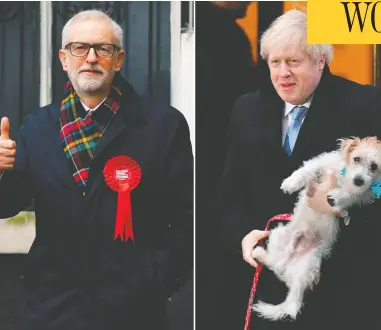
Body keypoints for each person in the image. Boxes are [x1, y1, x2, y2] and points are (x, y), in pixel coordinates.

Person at [0, 10, 193, 330]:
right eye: (79, 48)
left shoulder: (164, 125)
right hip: (51, 308)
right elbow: (7, 204)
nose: (90, 58)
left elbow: (187, 215)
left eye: (103, 49)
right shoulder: (37, 127)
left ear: (118, 59)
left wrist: (157, 279)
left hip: (133, 309)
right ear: (63, 59)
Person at [215, 9, 381, 330]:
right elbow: (229, 191)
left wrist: (343, 209)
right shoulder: (246, 109)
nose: (282, 73)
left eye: (293, 61)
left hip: (343, 288)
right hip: (270, 279)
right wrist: (242, 237)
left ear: (320, 60)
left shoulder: (367, 105)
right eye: (275, 63)